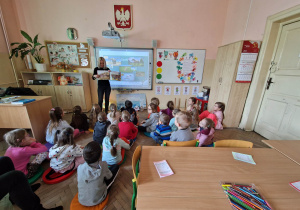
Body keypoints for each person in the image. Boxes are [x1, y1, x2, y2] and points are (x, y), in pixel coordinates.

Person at [77, 141, 119, 206]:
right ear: (101, 155)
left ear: (83, 156)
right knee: (116, 166)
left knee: (104, 173)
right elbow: (109, 176)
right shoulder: (103, 165)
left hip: (81, 199)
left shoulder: (79, 167)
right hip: (97, 200)